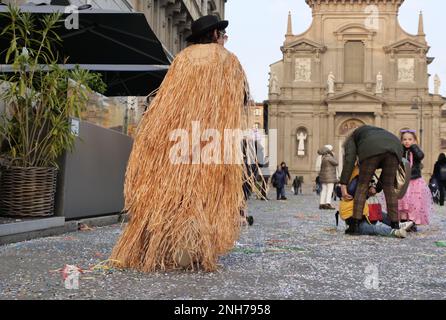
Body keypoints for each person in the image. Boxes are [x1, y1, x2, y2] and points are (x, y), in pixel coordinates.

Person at [110, 15, 250, 272]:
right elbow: (240, 99)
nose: (224, 40)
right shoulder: (227, 60)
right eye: (223, 35)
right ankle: (190, 247)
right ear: (216, 35)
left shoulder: (182, 59)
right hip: (211, 138)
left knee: (176, 192)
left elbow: (165, 102)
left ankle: (167, 245)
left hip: (176, 137)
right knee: (204, 192)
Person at [340, 125, 403, 235]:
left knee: (362, 185)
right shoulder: (377, 132)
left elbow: (349, 160)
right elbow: (385, 179)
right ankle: (395, 225)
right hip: (396, 146)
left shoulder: (353, 137)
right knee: (389, 187)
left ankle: (355, 226)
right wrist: (377, 188)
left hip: (371, 149)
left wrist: (343, 184)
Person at [398, 130, 432, 229]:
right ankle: (403, 221)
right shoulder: (401, 150)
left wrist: (414, 147)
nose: (407, 141)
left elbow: (420, 156)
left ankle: (412, 222)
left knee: (414, 203)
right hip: (403, 181)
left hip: (415, 181)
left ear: (414, 140)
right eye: (404, 139)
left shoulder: (415, 150)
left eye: (410, 139)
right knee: (403, 202)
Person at [317, 145, 338, 210]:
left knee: (324, 190)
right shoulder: (329, 157)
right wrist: (333, 155)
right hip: (330, 177)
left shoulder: (322, 157)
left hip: (323, 177)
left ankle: (321, 203)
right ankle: (327, 203)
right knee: (329, 190)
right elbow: (336, 163)